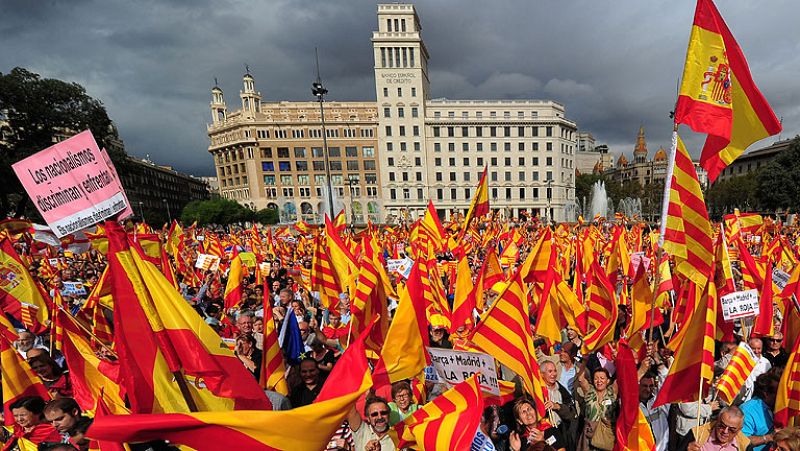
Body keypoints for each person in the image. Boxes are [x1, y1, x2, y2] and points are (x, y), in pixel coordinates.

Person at [576, 365, 617, 451]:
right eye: (596, 378)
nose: (599, 381)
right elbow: (580, 379)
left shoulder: (612, 392)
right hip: (590, 437)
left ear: (608, 381)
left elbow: (622, 378)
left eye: (602, 378)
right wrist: (584, 361)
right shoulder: (590, 392)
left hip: (608, 437)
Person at [540, 361, 578, 451]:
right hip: (545, 433)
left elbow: (571, 414)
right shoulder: (538, 392)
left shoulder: (561, 390)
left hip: (562, 431)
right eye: (550, 371)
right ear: (542, 374)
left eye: (555, 371)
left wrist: (557, 406)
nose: (553, 374)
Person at [741, 370, 780, 451]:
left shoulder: (774, 408)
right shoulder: (747, 411)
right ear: (766, 393)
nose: (780, 397)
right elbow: (741, 440)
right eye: (777, 393)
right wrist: (769, 437)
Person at [639, 371, 669, 451]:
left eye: (651, 386)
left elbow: (666, 384)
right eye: (644, 386)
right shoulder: (633, 406)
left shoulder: (659, 402)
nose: (648, 389)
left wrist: (660, 365)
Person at [742, 337, 771, 402]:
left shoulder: (766, 363)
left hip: (758, 398)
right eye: (753, 348)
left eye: (759, 348)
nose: (756, 351)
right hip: (742, 397)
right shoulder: (743, 360)